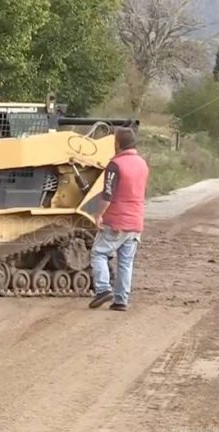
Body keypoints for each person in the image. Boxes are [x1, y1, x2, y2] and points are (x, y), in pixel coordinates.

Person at [88, 126, 149, 311]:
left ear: (118, 143)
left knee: (98, 253)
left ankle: (103, 289)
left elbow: (108, 194)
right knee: (125, 262)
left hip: (116, 221)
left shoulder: (115, 165)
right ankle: (121, 300)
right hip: (135, 221)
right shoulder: (142, 164)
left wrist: (98, 215)